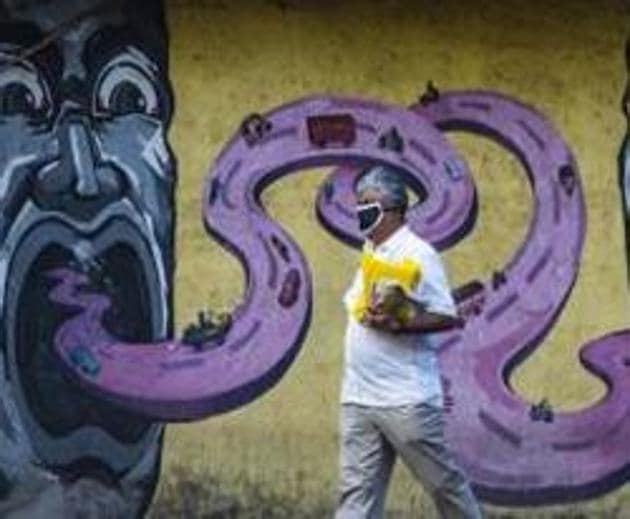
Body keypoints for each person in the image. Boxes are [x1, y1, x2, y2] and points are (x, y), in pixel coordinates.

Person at [335, 164, 483, 519]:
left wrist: (401, 324)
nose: (360, 211)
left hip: (406, 400)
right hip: (359, 397)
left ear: (393, 210)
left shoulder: (419, 254)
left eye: (367, 204)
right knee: (356, 495)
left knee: (445, 486)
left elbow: (446, 315)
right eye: (358, 203)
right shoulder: (370, 250)